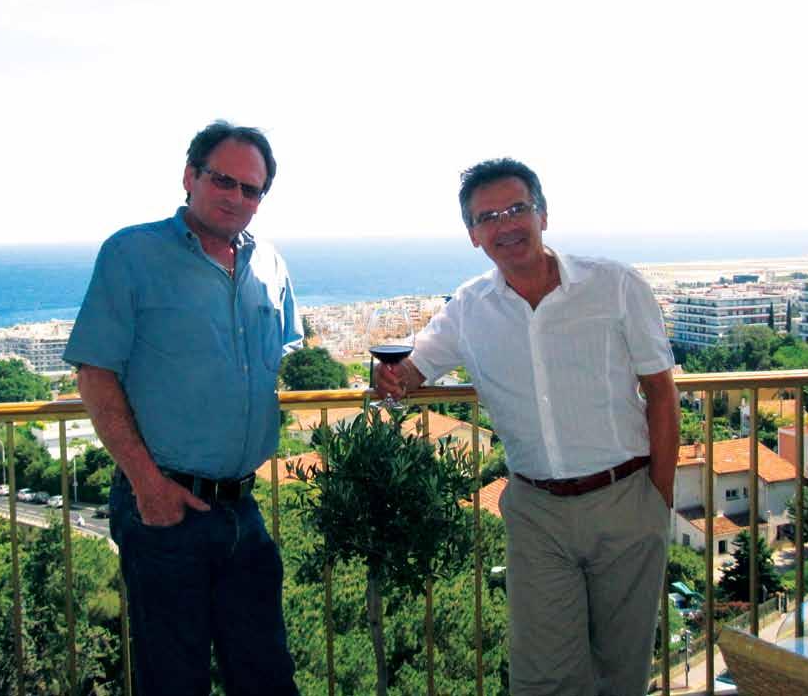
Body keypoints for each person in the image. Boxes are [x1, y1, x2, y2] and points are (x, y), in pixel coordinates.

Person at [376, 158, 679, 696]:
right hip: (536, 513)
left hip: (626, 499)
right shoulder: (469, 309)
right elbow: (411, 372)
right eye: (487, 217)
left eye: (517, 208)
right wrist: (390, 378)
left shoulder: (614, 286)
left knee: (622, 672)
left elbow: (661, 392)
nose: (506, 225)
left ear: (543, 214)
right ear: (473, 235)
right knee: (542, 678)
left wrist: (658, 499)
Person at [64, 121, 302, 696]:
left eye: (252, 189)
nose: (236, 197)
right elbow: (95, 372)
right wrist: (148, 486)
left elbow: (283, 360)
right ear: (190, 175)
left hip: (242, 509)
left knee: (267, 676)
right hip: (163, 507)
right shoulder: (132, 253)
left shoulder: (269, 265)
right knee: (172, 680)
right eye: (223, 180)